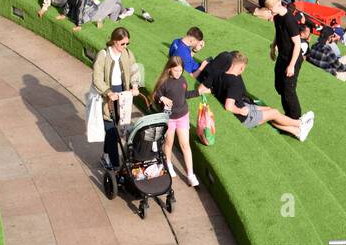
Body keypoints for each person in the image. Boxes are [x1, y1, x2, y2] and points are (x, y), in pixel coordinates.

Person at [204, 50, 313, 141]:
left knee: (269, 110)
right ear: (241, 67)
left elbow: (212, 89)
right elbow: (229, 106)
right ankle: (299, 123)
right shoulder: (235, 82)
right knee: (274, 113)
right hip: (243, 117)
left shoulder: (219, 75)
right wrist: (241, 111)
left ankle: (297, 131)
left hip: (243, 106)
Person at [153, 54, 210, 187]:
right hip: (169, 118)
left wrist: (199, 92)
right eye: (176, 70)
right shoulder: (164, 83)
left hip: (183, 115)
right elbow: (156, 95)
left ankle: (190, 174)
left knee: (185, 145)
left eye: (180, 70)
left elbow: (184, 95)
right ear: (169, 69)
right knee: (169, 143)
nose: (178, 73)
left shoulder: (183, 80)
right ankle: (168, 164)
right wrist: (162, 99)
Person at [93, 27, 142, 171]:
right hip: (108, 94)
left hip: (123, 93)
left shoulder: (127, 53)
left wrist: (134, 85)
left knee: (118, 128)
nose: (125, 47)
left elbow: (134, 70)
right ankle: (114, 164)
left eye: (127, 44)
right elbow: (97, 78)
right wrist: (108, 92)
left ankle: (106, 155)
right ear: (114, 41)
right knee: (111, 127)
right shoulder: (103, 55)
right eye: (122, 44)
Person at [266, 0, 305, 121]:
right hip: (282, 56)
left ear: (278, 5)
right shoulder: (277, 17)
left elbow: (297, 44)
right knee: (279, 86)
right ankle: (288, 115)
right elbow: (278, 32)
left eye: (270, 8)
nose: (269, 11)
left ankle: (296, 120)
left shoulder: (290, 20)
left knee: (288, 90)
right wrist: (273, 46)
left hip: (292, 58)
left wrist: (291, 65)